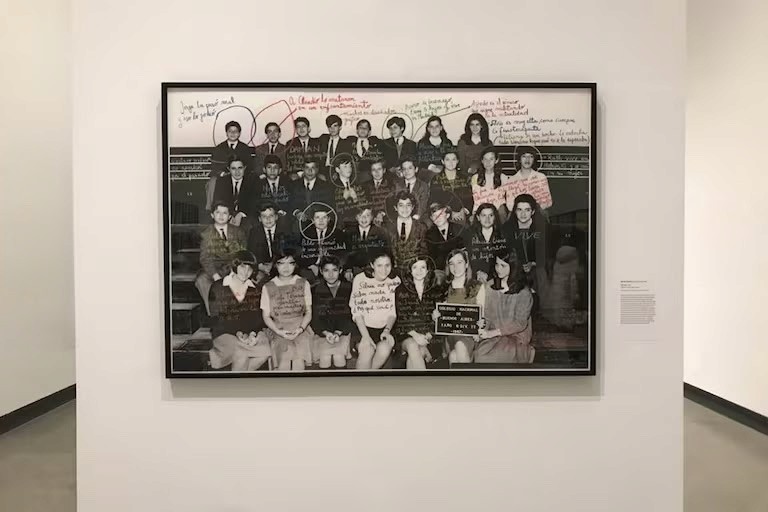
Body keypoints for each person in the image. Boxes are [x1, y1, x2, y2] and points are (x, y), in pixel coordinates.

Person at [208, 251, 272, 371]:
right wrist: (239, 334)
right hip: (224, 333)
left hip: (247, 334)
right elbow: (217, 319)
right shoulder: (218, 287)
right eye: (242, 267)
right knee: (242, 354)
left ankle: (236, 380)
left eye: (250, 268)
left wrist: (252, 334)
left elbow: (257, 319)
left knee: (266, 352)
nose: (246, 272)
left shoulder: (256, 290)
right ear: (235, 265)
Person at [474, 251, 535, 364]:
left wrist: (494, 333)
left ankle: (527, 353)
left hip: (515, 337)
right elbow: (487, 315)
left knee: (489, 359)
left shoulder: (523, 293)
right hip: (494, 337)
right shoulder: (490, 286)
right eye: (497, 264)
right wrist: (482, 329)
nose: (498, 269)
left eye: (503, 265)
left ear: (513, 267)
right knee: (479, 355)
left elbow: (520, 323)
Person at [261, 249, 314, 371]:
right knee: (284, 363)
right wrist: (279, 332)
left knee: (298, 362)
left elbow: (309, 312)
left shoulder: (303, 283)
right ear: (276, 265)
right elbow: (266, 316)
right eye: (281, 263)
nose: (286, 267)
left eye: (290, 263)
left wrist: (300, 329)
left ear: (295, 265)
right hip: (278, 329)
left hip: (301, 328)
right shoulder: (268, 287)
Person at [195, 202, 248, 315]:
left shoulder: (238, 232)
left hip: (235, 267)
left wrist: (237, 272)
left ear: (230, 216)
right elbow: (205, 258)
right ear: (212, 215)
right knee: (202, 280)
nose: (221, 216)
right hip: (216, 269)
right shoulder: (206, 234)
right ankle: (214, 314)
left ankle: (240, 314)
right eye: (218, 212)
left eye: (225, 213)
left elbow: (243, 253)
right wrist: (215, 276)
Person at [349, 252, 400, 369]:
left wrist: (387, 331)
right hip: (363, 328)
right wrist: (366, 337)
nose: (384, 270)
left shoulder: (395, 281)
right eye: (379, 265)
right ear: (372, 265)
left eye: (387, 265)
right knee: (367, 350)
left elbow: (393, 312)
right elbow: (357, 312)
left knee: (385, 348)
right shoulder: (360, 279)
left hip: (385, 328)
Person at [434, 249, 485, 364]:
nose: (455, 267)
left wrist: (481, 325)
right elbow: (442, 314)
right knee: (457, 350)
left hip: (471, 336)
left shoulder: (477, 286)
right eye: (451, 263)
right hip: (451, 335)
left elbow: (482, 315)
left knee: (455, 354)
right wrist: (436, 316)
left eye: (459, 262)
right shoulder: (444, 287)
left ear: (466, 264)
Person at [395, 256, 445, 369]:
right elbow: (401, 318)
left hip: (429, 338)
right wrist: (416, 336)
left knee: (416, 354)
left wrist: (429, 335)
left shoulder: (435, 291)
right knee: (413, 346)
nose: (419, 271)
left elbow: (439, 319)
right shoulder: (401, 290)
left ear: (427, 270)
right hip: (406, 335)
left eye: (422, 267)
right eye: (415, 267)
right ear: (410, 270)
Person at [311, 256, 354, 369]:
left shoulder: (349, 288)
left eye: (334, 270)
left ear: (340, 270)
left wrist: (338, 332)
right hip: (323, 332)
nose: (330, 274)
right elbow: (314, 317)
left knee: (339, 357)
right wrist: (326, 333)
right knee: (325, 359)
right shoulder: (315, 290)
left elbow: (351, 315)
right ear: (321, 271)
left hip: (343, 331)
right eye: (326, 270)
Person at [207, 120, 255, 210]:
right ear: (226, 133)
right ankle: (213, 208)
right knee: (213, 181)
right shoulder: (219, 148)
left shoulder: (245, 148)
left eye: (235, 131)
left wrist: (240, 173)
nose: (233, 133)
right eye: (230, 131)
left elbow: (249, 166)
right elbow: (214, 166)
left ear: (239, 133)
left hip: (240, 175)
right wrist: (222, 174)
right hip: (223, 176)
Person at [502, 194, 547, 279]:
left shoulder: (542, 228)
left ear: (533, 212)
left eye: (527, 210)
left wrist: (534, 263)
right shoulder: (506, 229)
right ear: (515, 211)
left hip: (539, 275)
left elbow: (550, 253)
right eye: (519, 210)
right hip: (514, 275)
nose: (523, 214)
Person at [382, 191, 428, 271]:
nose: (405, 209)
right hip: (393, 272)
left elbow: (424, 253)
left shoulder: (421, 227)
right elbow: (384, 253)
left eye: (408, 205)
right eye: (401, 205)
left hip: (415, 271)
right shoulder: (387, 228)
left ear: (413, 207)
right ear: (395, 208)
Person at [425, 202, 468, 282]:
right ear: (431, 219)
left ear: (447, 215)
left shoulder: (458, 229)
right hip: (441, 270)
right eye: (434, 216)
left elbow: (465, 251)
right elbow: (431, 257)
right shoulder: (429, 235)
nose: (437, 218)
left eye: (440, 214)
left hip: (460, 267)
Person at [298, 206, 344, 280]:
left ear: (328, 219)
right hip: (312, 267)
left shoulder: (338, 234)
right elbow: (300, 254)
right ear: (313, 220)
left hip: (331, 267)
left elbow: (342, 254)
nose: (321, 220)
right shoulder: (306, 234)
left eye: (324, 217)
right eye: (317, 217)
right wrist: (311, 265)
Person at [247, 203, 292, 277]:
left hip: (281, 266)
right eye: (264, 216)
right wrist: (260, 266)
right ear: (259, 219)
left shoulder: (285, 231)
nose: (268, 219)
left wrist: (274, 265)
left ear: (276, 217)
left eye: (271, 216)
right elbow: (251, 253)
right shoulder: (254, 232)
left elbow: (289, 252)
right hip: (261, 268)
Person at [212, 155, 258, 229]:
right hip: (226, 215)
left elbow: (254, 204)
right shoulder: (222, 182)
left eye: (240, 168)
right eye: (233, 168)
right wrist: (229, 216)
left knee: (250, 223)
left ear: (244, 168)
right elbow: (217, 202)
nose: (237, 172)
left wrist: (240, 214)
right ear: (228, 169)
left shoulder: (252, 181)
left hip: (245, 215)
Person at [342, 206, 388, 278]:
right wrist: (348, 269)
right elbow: (346, 253)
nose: (364, 218)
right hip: (354, 271)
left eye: (367, 215)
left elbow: (385, 252)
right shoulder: (348, 233)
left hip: (375, 270)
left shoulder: (380, 233)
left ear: (372, 217)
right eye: (360, 215)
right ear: (356, 217)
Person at [429, 147, 473, 223]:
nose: (451, 163)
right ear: (443, 161)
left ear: (457, 161)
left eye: (453, 159)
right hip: (443, 215)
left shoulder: (465, 178)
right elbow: (435, 200)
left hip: (462, 215)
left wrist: (464, 210)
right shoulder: (436, 179)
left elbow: (469, 198)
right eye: (447, 160)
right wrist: (450, 213)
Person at [467, 203, 509, 281]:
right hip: (477, 277)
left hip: (498, 275)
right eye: (484, 215)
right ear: (478, 217)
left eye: (491, 215)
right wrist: (478, 272)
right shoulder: (470, 235)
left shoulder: (503, 234)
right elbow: (470, 258)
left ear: (495, 217)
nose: (487, 219)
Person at [504, 145, 553, 211]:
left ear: (534, 160)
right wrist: (522, 211)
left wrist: (532, 210)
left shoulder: (541, 177)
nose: (527, 159)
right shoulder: (511, 180)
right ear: (519, 159)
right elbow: (510, 205)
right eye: (524, 156)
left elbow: (548, 202)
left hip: (537, 212)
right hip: (518, 213)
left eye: (531, 156)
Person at [288, 158, 335, 227]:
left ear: (317, 170)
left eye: (313, 168)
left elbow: (330, 207)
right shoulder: (293, 185)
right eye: (307, 168)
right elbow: (290, 204)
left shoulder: (326, 187)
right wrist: (296, 212)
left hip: (320, 224)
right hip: (298, 224)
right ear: (303, 169)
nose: (310, 171)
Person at [471, 146, 510, 221]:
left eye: (491, 159)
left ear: (496, 160)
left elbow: (505, 200)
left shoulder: (503, 177)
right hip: (481, 211)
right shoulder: (475, 178)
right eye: (485, 159)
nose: (488, 162)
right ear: (482, 161)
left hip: (498, 213)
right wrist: (474, 213)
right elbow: (476, 200)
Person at [330, 156, 369, 230]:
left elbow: (364, 208)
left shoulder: (358, 186)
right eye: (345, 167)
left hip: (357, 225)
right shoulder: (332, 187)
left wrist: (355, 198)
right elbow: (332, 211)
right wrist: (343, 199)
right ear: (337, 169)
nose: (349, 169)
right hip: (339, 226)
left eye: (350, 166)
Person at [389, 157, 429, 221]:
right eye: (404, 169)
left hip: (417, 218)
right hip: (400, 217)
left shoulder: (423, 186)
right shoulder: (396, 184)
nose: (406, 171)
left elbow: (422, 205)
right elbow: (392, 202)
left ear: (416, 169)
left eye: (410, 168)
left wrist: (416, 216)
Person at [255, 154, 292, 224]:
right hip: (266, 217)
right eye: (269, 167)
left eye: (275, 167)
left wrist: (284, 212)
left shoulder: (288, 183)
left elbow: (292, 201)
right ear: (264, 169)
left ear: (280, 170)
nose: (272, 170)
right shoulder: (258, 185)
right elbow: (257, 204)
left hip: (285, 216)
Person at [361, 158, 395, 225]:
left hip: (387, 219)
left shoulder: (391, 185)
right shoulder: (364, 186)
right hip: (368, 219)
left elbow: (392, 205)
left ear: (384, 170)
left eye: (379, 169)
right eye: (374, 170)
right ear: (370, 172)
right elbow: (364, 204)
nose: (377, 172)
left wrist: (382, 213)